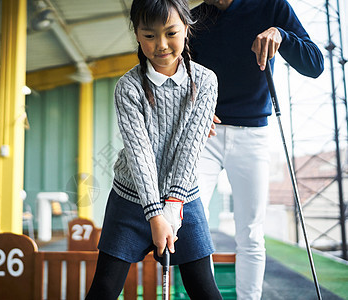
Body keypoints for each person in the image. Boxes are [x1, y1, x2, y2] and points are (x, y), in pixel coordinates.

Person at [86, 0, 223, 299]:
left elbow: (190, 147)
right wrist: (155, 215)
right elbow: (140, 155)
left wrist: (173, 206)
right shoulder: (128, 87)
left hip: (184, 195)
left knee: (204, 289)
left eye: (171, 32)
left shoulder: (206, 82)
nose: (161, 45)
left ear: (187, 28)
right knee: (105, 289)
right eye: (149, 35)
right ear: (136, 34)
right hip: (130, 199)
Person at [189, 0, 324, 299]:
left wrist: (282, 36)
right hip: (204, 134)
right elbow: (182, 75)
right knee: (193, 228)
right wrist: (193, 107)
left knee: (250, 232)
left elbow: (315, 65)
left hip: (253, 134)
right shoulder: (193, 18)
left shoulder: (272, 6)